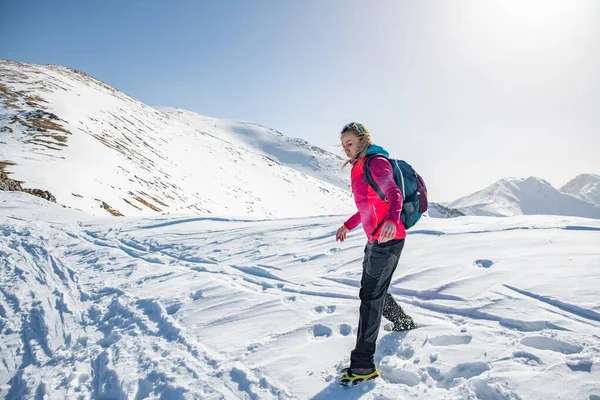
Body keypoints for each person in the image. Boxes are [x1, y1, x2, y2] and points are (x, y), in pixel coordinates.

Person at [335, 122, 416, 386]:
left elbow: (393, 193)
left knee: (369, 296)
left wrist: (392, 219)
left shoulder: (375, 161)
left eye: (350, 143)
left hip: (389, 238)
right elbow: (367, 206)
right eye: (343, 144)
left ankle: (363, 366)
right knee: (373, 290)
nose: (346, 149)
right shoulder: (358, 167)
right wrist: (347, 225)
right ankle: (402, 321)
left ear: (362, 140)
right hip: (376, 238)